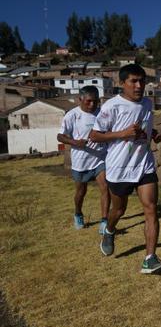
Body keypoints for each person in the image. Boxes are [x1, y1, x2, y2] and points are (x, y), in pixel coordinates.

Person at [89, 64, 161, 274]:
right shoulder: (111, 106)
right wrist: (121, 134)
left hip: (144, 165)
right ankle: (110, 230)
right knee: (118, 210)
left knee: (150, 208)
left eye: (142, 81)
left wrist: (153, 133)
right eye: (133, 81)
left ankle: (150, 258)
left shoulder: (148, 103)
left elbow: (143, 127)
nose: (139, 85)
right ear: (122, 83)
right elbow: (94, 135)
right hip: (119, 169)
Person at [57, 85, 110, 232]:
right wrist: (75, 142)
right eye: (88, 101)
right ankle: (78, 213)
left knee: (105, 187)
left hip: (100, 158)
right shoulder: (72, 115)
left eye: (95, 101)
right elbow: (60, 136)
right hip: (81, 161)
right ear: (80, 99)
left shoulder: (102, 113)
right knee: (81, 192)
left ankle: (104, 222)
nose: (92, 105)